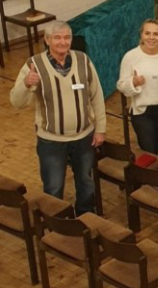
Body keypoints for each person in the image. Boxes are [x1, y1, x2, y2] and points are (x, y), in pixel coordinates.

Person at [10, 21, 106, 215]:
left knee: (86, 183)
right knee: (53, 187)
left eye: (67, 37)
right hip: (51, 142)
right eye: (57, 37)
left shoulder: (83, 60)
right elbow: (16, 102)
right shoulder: (34, 65)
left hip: (84, 138)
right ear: (47, 40)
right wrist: (26, 84)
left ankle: (85, 218)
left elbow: (97, 96)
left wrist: (100, 129)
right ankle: (57, 223)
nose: (63, 42)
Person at [116, 19, 158, 161]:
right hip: (142, 112)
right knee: (149, 153)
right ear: (141, 35)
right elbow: (122, 86)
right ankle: (153, 175)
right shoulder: (130, 57)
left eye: (155, 34)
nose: (151, 37)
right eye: (147, 33)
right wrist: (133, 83)